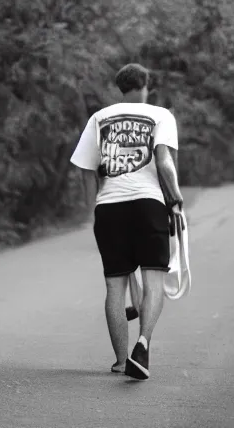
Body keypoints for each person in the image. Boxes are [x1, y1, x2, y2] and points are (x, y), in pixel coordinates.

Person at [70, 63, 183, 380]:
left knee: (114, 287)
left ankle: (121, 361)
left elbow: (85, 168)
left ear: (120, 88)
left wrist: (93, 208)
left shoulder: (99, 118)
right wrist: (175, 198)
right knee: (153, 282)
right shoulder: (160, 115)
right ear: (146, 86)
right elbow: (163, 162)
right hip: (148, 204)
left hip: (110, 208)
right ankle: (143, 345)